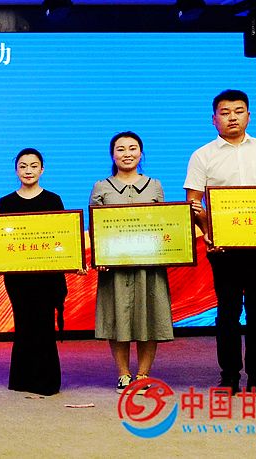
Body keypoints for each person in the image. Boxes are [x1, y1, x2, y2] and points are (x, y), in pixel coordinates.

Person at [184, 89, 256, 396]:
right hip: (225, 248)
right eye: (225, 112)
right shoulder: (202, 155)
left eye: (239, 111)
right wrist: (209, 232)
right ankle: (229, 375)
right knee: (228, 311)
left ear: (249, 115)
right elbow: (193, 202)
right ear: (214, 119)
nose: (232, 117)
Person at [88, 131, 173, 393]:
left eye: (133, 148)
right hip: (115, 268)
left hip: (149, 267)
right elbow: (95, 227)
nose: (127, 154)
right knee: (118, 319)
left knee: (150, 318)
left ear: (141, 153)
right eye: (121, 149)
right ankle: (123, 374)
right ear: (112, 155)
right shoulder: (101, 186)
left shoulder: (155, 185)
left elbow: (164, 224)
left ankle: (143, 374)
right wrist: (100, 257)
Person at [0, 148, 66, 396]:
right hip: (18, 277)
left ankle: (47, 381)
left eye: (33, 166)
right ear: (16, 170)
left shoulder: (53, 200)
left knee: (44, 324)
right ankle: (22, 379)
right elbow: (0, 239)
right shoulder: (6, 202)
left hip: (47, 276)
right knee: (23, 323)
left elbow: (62, 237)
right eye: (23, 166)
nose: (28, 171)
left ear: (42, 169)